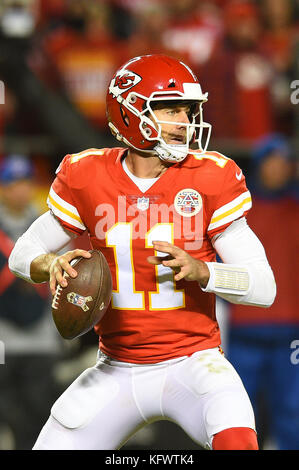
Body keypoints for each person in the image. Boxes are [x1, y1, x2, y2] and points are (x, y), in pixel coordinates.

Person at [8, 54, 276, 451]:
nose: (185, 123)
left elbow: (265, 288)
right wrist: (50, 263)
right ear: (133, 113)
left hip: (193, 362)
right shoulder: (86, 175)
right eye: (171, 110)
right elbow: (20, 254)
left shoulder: (211, 176)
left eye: (188, 111)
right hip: (115, 366)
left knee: (237, 437)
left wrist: (206, 273)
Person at [227, 134, 299, 450]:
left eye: (285, 163)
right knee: (237, 414)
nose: (279, 169)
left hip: (290, 332)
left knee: (293, 410)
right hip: (245, 327)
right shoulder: (236, 213)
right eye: (273, 161)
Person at [0, 154, 63, 449]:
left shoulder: (49, 227)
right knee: (6, 409)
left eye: (26, 182)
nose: (20, 190)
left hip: (40, 339)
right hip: (3, 339)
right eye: (13, 183)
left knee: (39, 413)